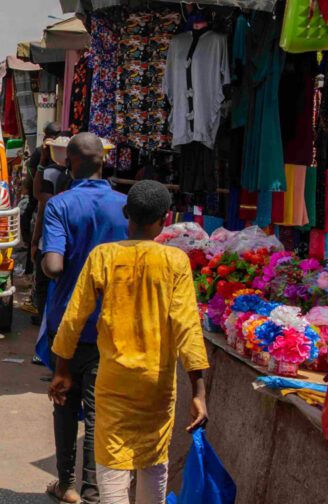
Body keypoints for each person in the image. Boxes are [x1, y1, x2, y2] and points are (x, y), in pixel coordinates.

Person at [50, 180, 209, 504]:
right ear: (164, 220)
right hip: (157, 384)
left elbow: (74, 318)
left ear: (126, 213)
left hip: (114, 381)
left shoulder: (103, 256)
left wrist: (62, 370)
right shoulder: (175, 262)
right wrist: (199, 392)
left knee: (112, 467)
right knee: (153, 464)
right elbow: (188, 328)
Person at [38, 132, 129, 504]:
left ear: (68, 163)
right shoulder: (126, 205)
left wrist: (46, 260)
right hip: (113, 323)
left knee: (64, 399)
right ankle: (94, 490)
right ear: (104, 161)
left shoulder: (60, 204)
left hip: (70, 325)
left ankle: (66, 485)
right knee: (98, 411)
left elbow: (54, 266)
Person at [28, 123, 71, 324]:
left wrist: (35, 240)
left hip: (52, 242)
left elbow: (41, 200)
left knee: (46, 281)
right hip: (68, 243)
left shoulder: (50, 174)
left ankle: (46, 319)